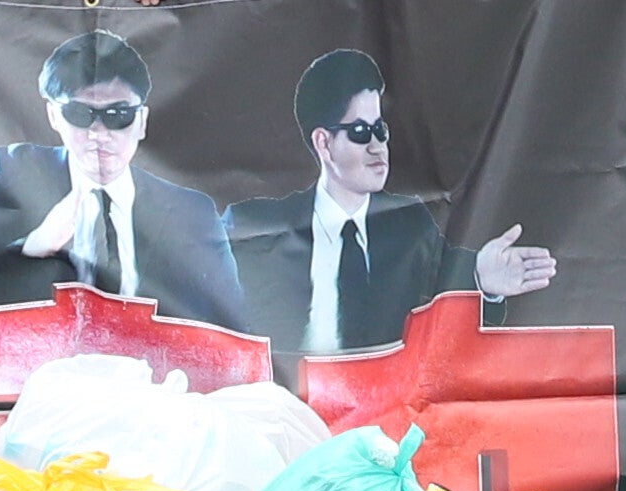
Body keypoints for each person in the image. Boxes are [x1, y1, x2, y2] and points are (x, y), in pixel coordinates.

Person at [222, 44, 560, 368]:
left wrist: (482, 279)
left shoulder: (409, 223)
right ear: (324, 143)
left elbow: (443, 282)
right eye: (359, 131)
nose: (377, 146)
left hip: (388, 400)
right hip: (286, 401)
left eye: (380, 130)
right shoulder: (260, 226)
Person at [0, 22, 241, 316]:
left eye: (118, 114)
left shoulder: (192, 212)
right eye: (80, 114)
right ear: (54, 116)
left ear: (142, 121)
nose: (99, 132)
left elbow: (230, 323)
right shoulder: (9, 173)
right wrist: (33, 246)